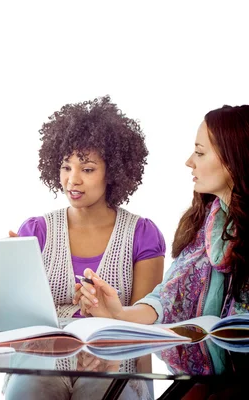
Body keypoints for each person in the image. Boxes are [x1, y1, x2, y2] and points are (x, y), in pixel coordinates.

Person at [4, 96, 164, 399]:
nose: (72, 180)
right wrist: (8, 277)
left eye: (87, 169)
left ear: (113, 172)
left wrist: (145, 389)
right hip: (42, 362)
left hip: (114, 363)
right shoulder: (36, 231)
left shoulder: (142, 234)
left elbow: (146, 325)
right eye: (66, 167)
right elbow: (21, 319)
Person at [75, 104, 249, 372]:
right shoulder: (205, 223)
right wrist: (119, 312)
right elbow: (170, 298)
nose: (189, 161)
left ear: (234, 158)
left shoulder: (142, 232)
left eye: (200, 153)